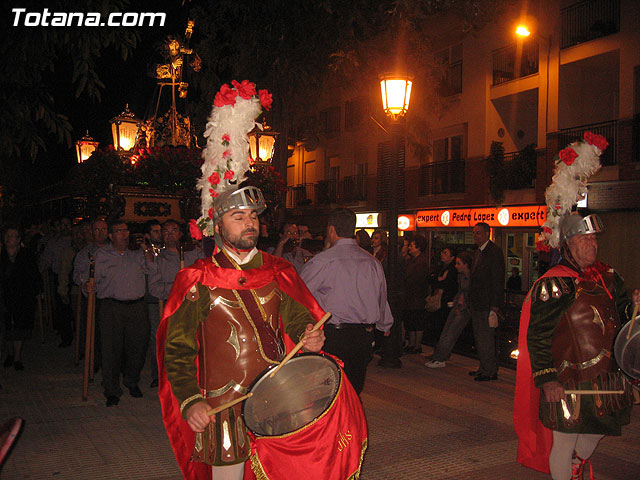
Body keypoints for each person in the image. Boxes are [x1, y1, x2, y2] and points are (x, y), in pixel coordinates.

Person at [157, 82, 362, 480]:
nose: (250, 223)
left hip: (278, 397)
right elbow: (177, 351)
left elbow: (297, 317)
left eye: (253, 217)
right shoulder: (197, 280)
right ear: (217, 224)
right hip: (222, 409)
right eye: (239, 217)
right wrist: (188, 401)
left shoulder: (276, 271)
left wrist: (309, 333)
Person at [514, 213, 640, 479]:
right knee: (563, 442)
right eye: (585, 238)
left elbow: (622, 320)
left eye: (594, 238)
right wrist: (547, 379)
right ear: (569, 243)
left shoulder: (609, 278)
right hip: (568, 378)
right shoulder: (554, 283)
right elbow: (537, 335)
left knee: (599, 429)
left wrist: (635, 307)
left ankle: (576, 463)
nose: (592, 244)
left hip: (607, 376)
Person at [301, 207, 394, 394]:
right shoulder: (372, 262)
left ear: (331, 230)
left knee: (329, 392)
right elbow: (381, 298)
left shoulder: (323, 261)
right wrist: (385, 324)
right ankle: (350, 423)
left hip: (333, 335)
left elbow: (300, 294)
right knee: (353, 389)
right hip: (363, 336)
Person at [94, 220, 154, 406]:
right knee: (111, 349)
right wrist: (87, 285)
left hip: (136, 306)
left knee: (138, 347)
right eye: (119, 231)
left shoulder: (137, 254)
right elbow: (91, 279)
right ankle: (111, 389)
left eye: (126, 230)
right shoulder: (101, 255)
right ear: (110, 236)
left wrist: (145, 249)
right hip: (112, 307)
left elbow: (152, 269)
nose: (124, 234)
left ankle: (131, 381)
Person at [147, 220, 203, 387]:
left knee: (191, 340)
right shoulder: (157, 259)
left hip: (190, 306)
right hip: (166, 306)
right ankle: (161, 375)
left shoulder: (193, 255)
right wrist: (176, 288)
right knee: (163, 341)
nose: (170, 234)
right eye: (166, 231)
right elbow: (154, 287)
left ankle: (191, 375)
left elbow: (202, 279)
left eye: (174, 230)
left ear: (180, 234)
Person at [468, 222, 505, 381]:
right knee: (479, 337)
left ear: (486, 234)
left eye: (478, 233)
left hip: (486, 302)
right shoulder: (478, 252)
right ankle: (484, 366)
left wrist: (495, 305)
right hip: (477, 302)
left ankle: (489, 370)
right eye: (474, 233)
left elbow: (497, 279)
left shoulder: (493, 252)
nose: (475, 236)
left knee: (486, 337)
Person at [425, 251, 473, 368]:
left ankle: (440, 358)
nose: (456, 266)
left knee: (451, 333)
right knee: (446, 331)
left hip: (464, 308)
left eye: (458, 264)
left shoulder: (470, 278)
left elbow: (469, 294)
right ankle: (438, 356)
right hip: (457, 305)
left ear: (465, 265)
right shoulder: (461, 276)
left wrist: (462, 306)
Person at [1, 226, 39, 371]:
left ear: (18, 239)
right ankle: (10, 353)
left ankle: (17, 357)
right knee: (7, 327)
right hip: (4, 297)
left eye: (14, 235)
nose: (11, 238)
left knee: (19, 327)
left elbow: (32, 275)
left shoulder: (26, 254)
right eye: (8, 235)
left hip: (22, 296)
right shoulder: (1, 254)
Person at [425, 247, 458, 345]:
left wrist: (439, 280)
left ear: (452, 257)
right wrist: (438, 279)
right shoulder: (440, 267)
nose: (442, 254)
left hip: (445, 301)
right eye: (442, 252)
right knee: (436, 325)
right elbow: (432, 279)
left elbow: (447, 283)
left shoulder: (452, 270)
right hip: (438, 298)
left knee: (442, 325)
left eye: (445, 253)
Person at [403, 234, 429, 354]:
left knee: (417, 321)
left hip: (416, 296)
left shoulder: (421, 262)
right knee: (411, 320)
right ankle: (412, 343)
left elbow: (418, 279)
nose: (410, 248)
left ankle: (416, 344)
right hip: (411, 296)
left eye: (412, 246)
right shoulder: (412, 261)